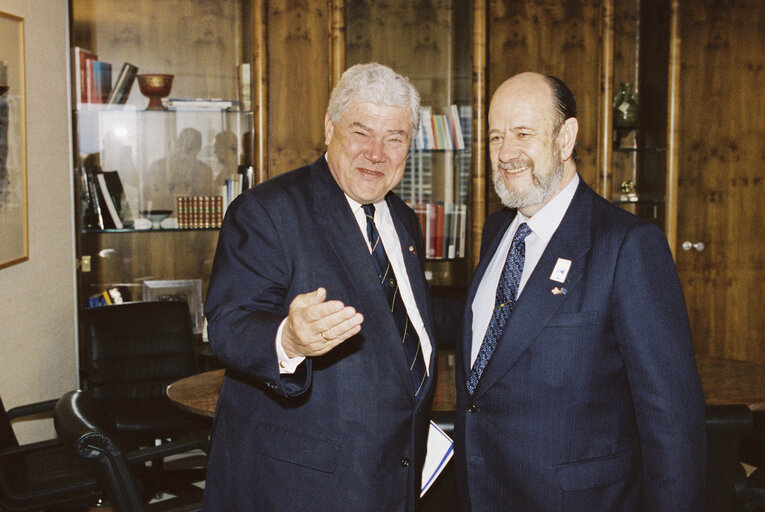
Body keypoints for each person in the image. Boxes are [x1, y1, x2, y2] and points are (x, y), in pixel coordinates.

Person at [453, 72, 706, 511]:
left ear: (565, 137)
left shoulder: (627, 245)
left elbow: (672, 423)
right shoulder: (497, 231)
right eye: (495, 137)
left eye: (523, 134)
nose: (506, 153)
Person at [203, 63, 438, 511]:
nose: (377, 153)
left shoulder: (403, 219)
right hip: (301, 486)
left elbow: (399, 328)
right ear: (330, 129)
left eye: (395, 138)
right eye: (362, 132)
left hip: (391, 473)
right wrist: (288, 339)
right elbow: (230, 326)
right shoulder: (266, 211)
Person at [144, 127, 214, 211]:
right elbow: (146, 194)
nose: (184, 154)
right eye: (184, 146)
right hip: (163, 219)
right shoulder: (157, 167)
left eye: (190, 149)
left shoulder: (204, 171)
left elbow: (211, 199)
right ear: (177, 145)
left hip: (192, 219)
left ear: (198, 149)